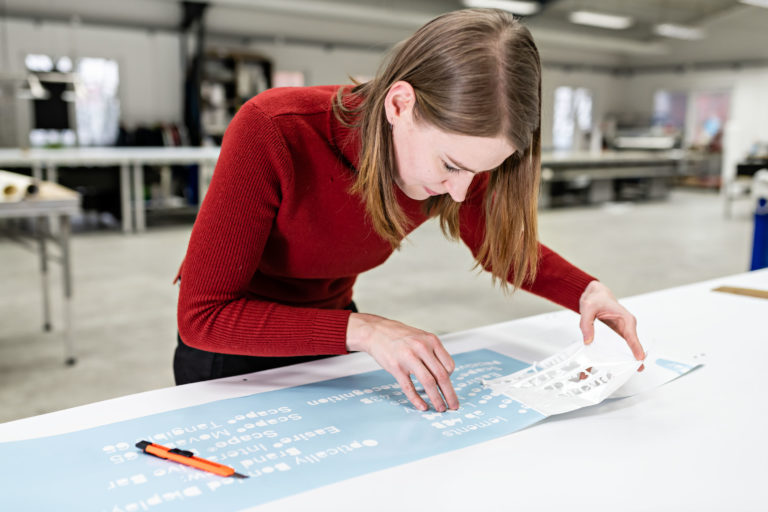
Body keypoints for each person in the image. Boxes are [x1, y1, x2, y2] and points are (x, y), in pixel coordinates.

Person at [174, 8, 645, 412]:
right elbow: (204, 316)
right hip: (231, 350)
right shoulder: (274, 128)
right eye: (451, 166)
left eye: (478, 172)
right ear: (400, 105)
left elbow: (496, 246)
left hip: (333, 337)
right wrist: (366, 330)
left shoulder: (459, 161)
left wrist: (587, 291)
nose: (459, 194)